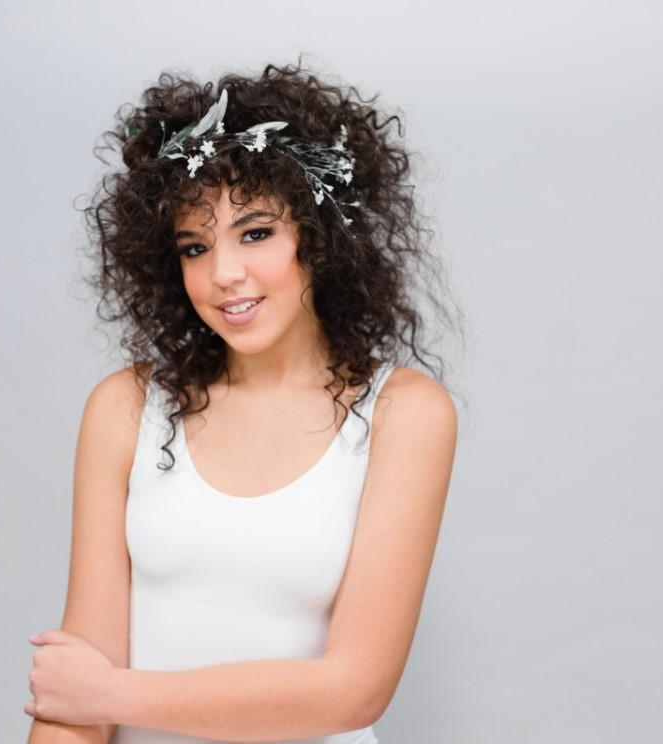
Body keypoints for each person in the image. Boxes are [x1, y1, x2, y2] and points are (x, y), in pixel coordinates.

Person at [24, 58, 463, 744]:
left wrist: (110, 693)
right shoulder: (126, 407)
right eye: (194, 247)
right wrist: (84, 697)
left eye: (256, 233)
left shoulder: (404, 414)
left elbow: (353, 691)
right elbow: (73, 697)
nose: (224, 273)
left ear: (320, 238)